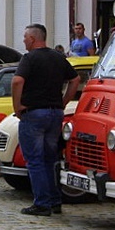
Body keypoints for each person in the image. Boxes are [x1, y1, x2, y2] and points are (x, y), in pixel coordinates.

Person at [12, 23, 79, 217]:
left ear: (33, 39)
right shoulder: (58, 57)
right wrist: (64, 101)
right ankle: (55, 200)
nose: (24, 41)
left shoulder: (29, 58)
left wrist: (17, 106)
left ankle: (42, 203)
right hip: (55, 113)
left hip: (34, 113)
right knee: (50, 159)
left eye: (25, 38)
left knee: (35, 160)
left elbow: (17, 81)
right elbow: (74, 79)